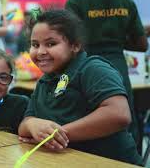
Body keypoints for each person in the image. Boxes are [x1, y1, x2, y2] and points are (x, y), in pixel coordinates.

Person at [18, 9, 142, 165]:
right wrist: (32, 124)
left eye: (51, 43)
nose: (41, 51)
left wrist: (56, 135)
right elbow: (25, 124)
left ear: (75, 46)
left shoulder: (93, 68)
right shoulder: (45, 80)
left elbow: (119, 114)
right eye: (35, 45)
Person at [65, 0, 149, 144]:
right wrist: (115, 42)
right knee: (123, 117)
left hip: (85, 66)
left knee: (86, 119)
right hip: (117, 66)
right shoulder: (125, 1)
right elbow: (142, 45)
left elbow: (68, 40)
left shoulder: (77, 0)